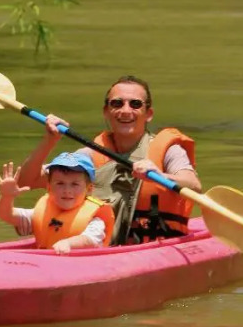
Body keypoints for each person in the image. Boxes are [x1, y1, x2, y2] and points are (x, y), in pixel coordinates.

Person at [17, 75, 202, 246]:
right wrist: (50, 140)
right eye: (117, 103)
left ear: (149, 113)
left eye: (135, 104)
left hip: (155, 247)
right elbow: (26, 182)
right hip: (98, 248)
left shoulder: (168, 150)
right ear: (106, 111)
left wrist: (160, 175)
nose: (125, 110)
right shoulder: (90, 155)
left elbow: (193, 186)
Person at [0, 150, 114, 253]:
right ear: (49, 187)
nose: (67, 190)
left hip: (81, 265)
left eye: (74, 184)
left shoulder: (95, 219)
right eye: (60, 183)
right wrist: (7, 196)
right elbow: (7, 215)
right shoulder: (41, 211)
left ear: (89, 189)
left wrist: (68, 243)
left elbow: (90, 240)